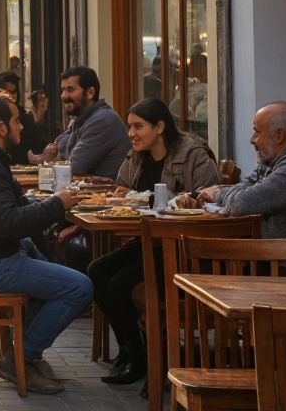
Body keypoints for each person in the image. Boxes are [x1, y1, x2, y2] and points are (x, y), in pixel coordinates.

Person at [0, 91, 91, 395]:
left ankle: (28, 355)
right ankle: (22, 356)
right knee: (79, 287)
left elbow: (11, 208)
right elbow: (7, 223)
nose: (22, 127)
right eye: (16, 121)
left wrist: (44, 203)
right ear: (0, 128)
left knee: (39, 254)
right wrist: (57, 205)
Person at [87, 97, 219, 385]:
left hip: (184, 247)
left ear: (159, 126)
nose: (131, 133)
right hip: (150, 241)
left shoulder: (193, 154)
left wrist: (171, 202)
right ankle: (132, 350)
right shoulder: (137, 155)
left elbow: (207, 200)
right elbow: (121, 188)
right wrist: (119, 195)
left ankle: (142, 360)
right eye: (129, 127)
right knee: (96, 271)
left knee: (120, 284)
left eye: (137, 126)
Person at [190, 102, 286, 238]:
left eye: (257, 132)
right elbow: (248, 187)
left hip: (285, 257)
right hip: (265, 255)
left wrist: (216, 193)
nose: (252, 140)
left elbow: (242, 204)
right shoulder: (271, 164)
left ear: (279, 135)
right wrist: (219, 191)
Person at [40, 66, 130, 179]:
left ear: (90, 93)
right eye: (63, 90)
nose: (63, 96)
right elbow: (59, 149)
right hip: (88, 192)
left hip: (107, 194)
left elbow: (75, 166)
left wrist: (50, 160)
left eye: (70, 90)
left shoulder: (102, 120)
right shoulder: (83, 119)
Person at [0, 71, 44, 165]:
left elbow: (36, 150)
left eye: (14, 92)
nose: (12, 96)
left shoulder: (25, 118)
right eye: (7, 92)